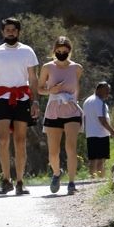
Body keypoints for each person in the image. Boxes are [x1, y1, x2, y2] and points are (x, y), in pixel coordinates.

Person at [0, 17, 39, 195]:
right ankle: (6, 180)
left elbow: (33, 78)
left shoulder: (27, 51)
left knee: (20, 141)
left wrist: (35, 100)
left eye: (14, 29)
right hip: (2, 98)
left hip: (22, 98)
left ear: (18, 31)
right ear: (2, 32)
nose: (11, 32)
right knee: (4, 140)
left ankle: (20, 181)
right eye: (7, 30)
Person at [38, 36, 82, 195]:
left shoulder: (77, 68)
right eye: (59, 51)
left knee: (70, 147)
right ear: (54, 51)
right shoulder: (47, 67)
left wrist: (73, 100)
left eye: (65, 51)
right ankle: (57, 173)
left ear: (69, 51)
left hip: (71, 110)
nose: (61, 53)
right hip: (53, 110)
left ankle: (71, 183)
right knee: (53, 152)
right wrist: (52, 91)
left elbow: (76, 87)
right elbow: (39, 89)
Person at [82, 81, 114, 179]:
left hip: (90, 133)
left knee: (93, 158)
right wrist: (112, 131)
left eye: (109, 91)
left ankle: (92, 178)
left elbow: (85, 118)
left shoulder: (87, 101)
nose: (108, 93)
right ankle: (101, 179)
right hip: (100, 134)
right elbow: (102, 119)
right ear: (98, 89)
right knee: (101, 159)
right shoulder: (99, 102)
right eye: (106, 90)